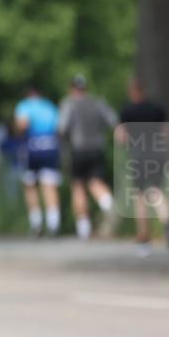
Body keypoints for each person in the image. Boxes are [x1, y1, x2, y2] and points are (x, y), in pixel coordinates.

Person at [116, 77, 169, 254]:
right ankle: (167, 223)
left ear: (131, 91)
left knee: (140, 196)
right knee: (157, 191)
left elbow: (121, 137)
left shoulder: (127, 111)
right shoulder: (157, 109)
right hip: (157, 154)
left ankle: (143, 236)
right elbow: (166, 133)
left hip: (138, 156)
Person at [59, 74, 119, 239]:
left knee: (78, 186)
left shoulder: (68, 103)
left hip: (78, 149)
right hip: (97, 149)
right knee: (95, 182)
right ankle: (109, 205)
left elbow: (63, 128)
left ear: (72, 88)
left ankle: (83, 228)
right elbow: (114, 122)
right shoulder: (98, 103)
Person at [15, 87, 62, 237]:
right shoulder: (49, 106)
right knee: (50, 185)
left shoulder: (24, 105)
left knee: (30, 186)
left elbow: (22, 125)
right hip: (51, 148)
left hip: (32, 149)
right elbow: (59, 128)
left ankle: (36, 224)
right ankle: (53, 223)